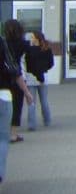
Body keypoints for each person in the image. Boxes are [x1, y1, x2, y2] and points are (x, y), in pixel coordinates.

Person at [1, 34, 33, 183]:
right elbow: (14, 69)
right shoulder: (3, 42)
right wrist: (26, 92)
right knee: (2, 139)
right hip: (4, 94)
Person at [2, 19, 29, 143]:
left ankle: (5, 131)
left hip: (4, 78)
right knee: (16, 106)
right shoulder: (23, 44)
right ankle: (13, 133)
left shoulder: (4, 42)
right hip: (17, 76)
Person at [24, 30, 54, 130]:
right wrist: (44, 69)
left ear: (36, 38)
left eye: (32, 37)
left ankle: (32, 124)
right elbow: (51, 63)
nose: (30, 39)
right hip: (43, 78)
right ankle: (47, 121)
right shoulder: (46, 49)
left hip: (30, 78)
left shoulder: (29, 50)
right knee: (44, 101)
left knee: (31, 102)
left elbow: (27, 65)